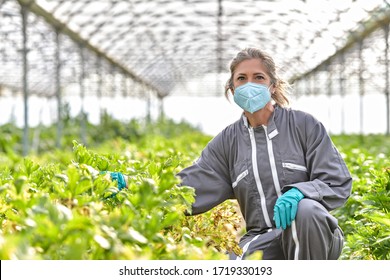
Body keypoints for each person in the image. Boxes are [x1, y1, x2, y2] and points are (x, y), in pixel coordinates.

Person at [175, 47, 352, 260]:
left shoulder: (303, 125)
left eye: (258, 77)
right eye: (241, 78)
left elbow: (336, 181)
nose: (250, 84)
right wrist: (136, 186)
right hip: (262, 237)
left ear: (272, 85)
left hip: (313, 236)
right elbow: (190, 186)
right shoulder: (227, 142)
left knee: (304, 211)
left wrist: (300, 193)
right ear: (232, 89)